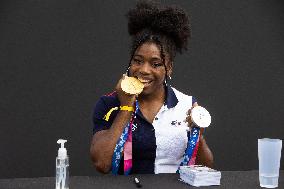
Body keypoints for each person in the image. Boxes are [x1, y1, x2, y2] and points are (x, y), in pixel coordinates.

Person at [90, 0, 213, 174]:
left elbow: (205, 168)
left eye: (155, 64)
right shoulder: (109, 103)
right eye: (137, 61)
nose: (144, 70)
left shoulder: (186, 105)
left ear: (168, 67)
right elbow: (101, 164)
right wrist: (126, 108)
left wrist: (197, 134)